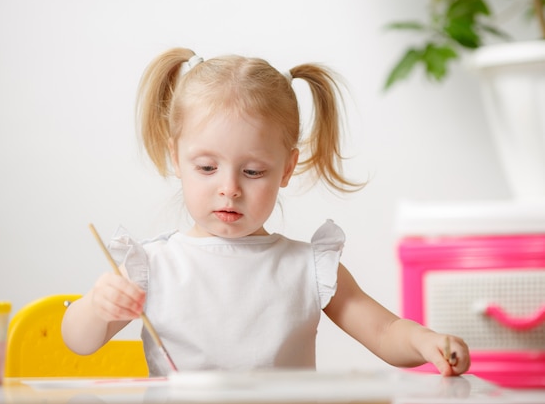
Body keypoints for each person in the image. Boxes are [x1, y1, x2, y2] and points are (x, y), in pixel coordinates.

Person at [61, 47, 470, 377]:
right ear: (176, 158)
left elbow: (383, 331)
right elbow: (77, 340)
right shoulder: (151, 267)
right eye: (206, 168)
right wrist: (98, 306)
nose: (229, 188)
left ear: (287, 169)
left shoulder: (309, 267)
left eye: (253, 171)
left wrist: (422, 341)